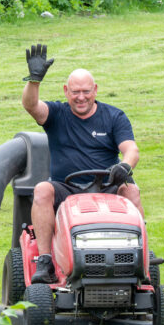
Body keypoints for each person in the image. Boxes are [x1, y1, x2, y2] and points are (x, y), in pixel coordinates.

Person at [21, 43, 142, 284]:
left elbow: (131, 149)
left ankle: (139, 259)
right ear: (66, 91)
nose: (81, 97)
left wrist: (125, 167)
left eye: (86, 91)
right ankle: (45, 261)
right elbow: (31, 106)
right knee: (42, 190)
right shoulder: (56, 114)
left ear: (95, 90)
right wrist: (34, 80)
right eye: (75, 92)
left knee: (131, 190)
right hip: (66, 189)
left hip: (107, 186)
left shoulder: (114, 116)